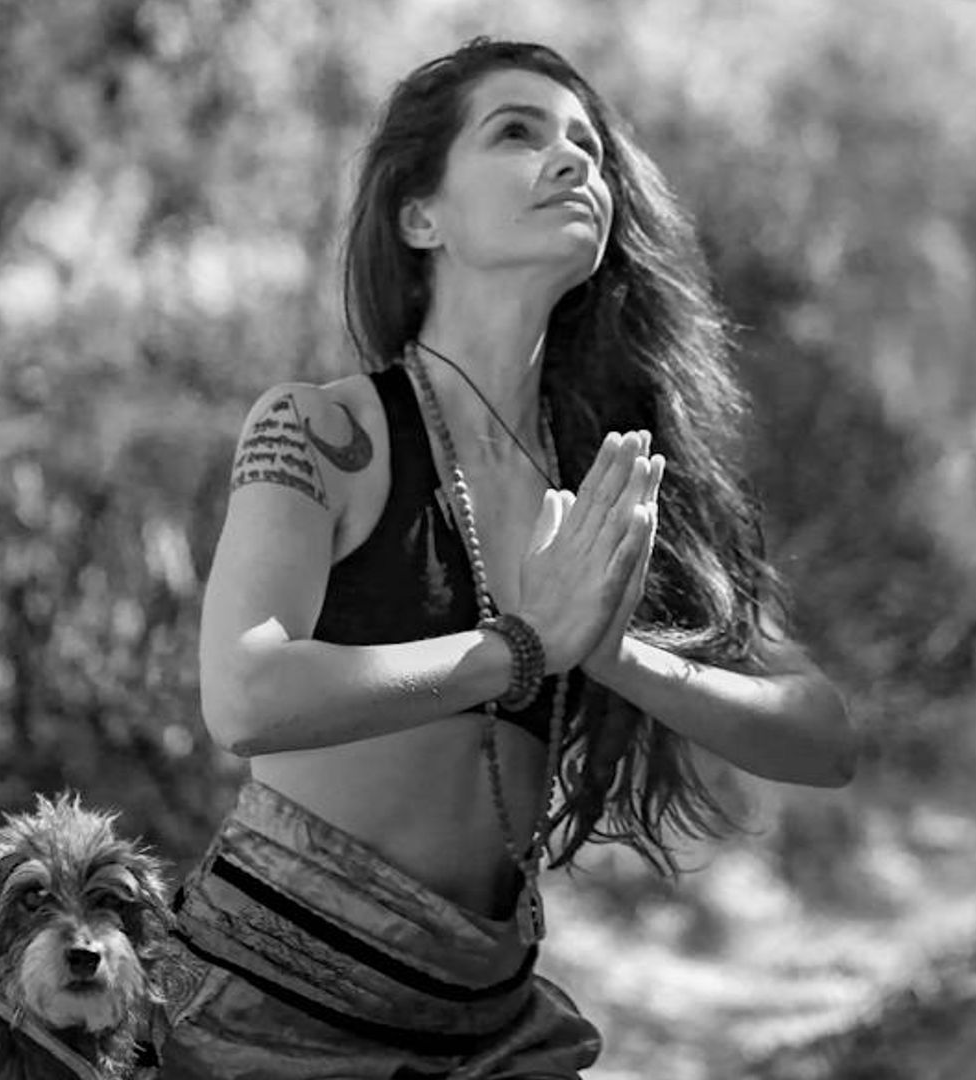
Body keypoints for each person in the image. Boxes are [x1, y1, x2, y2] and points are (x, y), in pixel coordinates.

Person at [159, 37, 856, 1080]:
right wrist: (522, 648)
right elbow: (245, 694)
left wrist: (611, 650)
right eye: (517, 133)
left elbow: (821, 733)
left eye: (588, 146)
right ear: (419, 216)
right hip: (267, 1002)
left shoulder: (614, 482)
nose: (573, 161)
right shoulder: (322, 431)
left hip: (484, 1023)